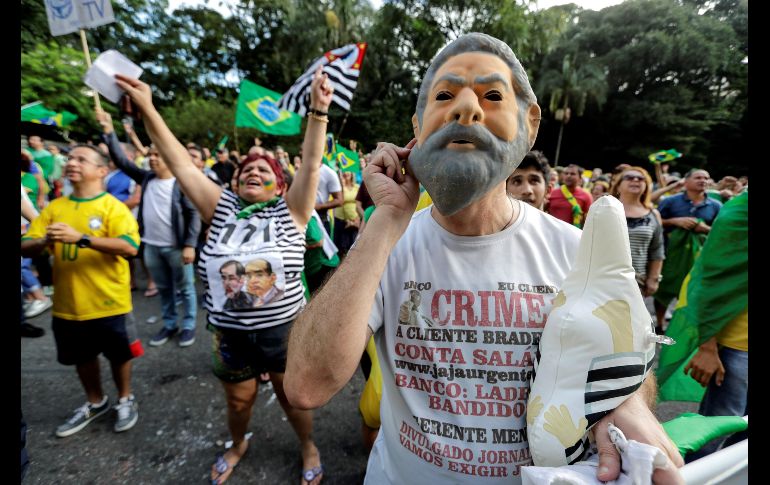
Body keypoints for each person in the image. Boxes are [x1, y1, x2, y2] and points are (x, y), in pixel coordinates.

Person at [285, 33, 682, 484]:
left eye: (492, 95)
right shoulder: (386, 248)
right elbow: (305, 383)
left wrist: (623, 401)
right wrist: (386, 220)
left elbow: (631, 364)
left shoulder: (579, 252)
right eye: (444, 95)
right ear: (418, 128)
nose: (466, 108)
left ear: (529, 123)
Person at [116, 65, 332, 485]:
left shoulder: (291, 211)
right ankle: (238, 444)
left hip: (284, 332)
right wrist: (146, 107)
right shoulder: (220, 208)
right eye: (246, 169)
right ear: (233, 181)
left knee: (294, 401)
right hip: (229, 335)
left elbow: (310, 163)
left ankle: (308, 446)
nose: (253, 171)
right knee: (238, 402)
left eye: (264, 171)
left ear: (278, 185)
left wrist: (318, 111)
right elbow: (179, 161)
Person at [21, 145, 141, 437]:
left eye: (81, 159)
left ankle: (125, 398)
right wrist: (42, 241)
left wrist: (82, 238)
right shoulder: (55, 207)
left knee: (119, 355)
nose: (72, 163)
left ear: (101, 171)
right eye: (71, 158)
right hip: (68, 305)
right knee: (82, 358)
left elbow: (129, 247)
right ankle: (95, 401)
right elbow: (26, 244)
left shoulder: (113, 207)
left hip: (110, 302)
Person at [97, 110, 201, 348]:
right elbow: (122, 161)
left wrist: (189, 245)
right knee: (164, 289)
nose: (152, 159)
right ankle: (170, 323)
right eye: (151, 155)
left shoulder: (181, 183)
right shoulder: (147, 179)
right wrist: (109, 131)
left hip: (177, 248)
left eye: (157, 155)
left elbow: (194, 213)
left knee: (185, 288)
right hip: (152, 246)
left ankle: (188, 325)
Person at [654, 168, 721, 329]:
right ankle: (659, 323)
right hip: (671, 253)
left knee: (693, 290)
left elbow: (720, 231)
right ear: (686, 181)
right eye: (698, 177)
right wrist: (675, 221)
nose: (703, 181)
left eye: (706, 178)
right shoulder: (670, 202)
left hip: (699, 255)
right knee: (664, 289)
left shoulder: (716, 205)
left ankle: (684, 327)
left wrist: (704, 228)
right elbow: (655, 222)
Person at [609, 166, 665, 328]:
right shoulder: (605, 209)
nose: (635, 180)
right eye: (630, 177)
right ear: (618, 185)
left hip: (635, 281)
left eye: (641, 179)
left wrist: (653, 279)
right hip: (603, 276)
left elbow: (657, 250)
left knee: (626, 326)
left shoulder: (653, 214)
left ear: (647, 185)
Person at [547, 163, 592, 227]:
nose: (568, 176)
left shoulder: (586, 196)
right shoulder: (552, 193)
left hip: (573, 235)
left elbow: (588, 222)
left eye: (572, 174)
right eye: (566, 173)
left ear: (580, 178)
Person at [332, 171, 360, 257]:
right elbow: (340, 201)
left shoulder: (357, 187)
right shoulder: (339, 187)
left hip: (355, 220)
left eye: (348, 171)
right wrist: (341, 182)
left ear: (352, 173)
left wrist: (357, 219)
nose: (346, 173)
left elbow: (360, 203)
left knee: (354, 247)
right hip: (342, 220)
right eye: (344, 171)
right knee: (342, 248)